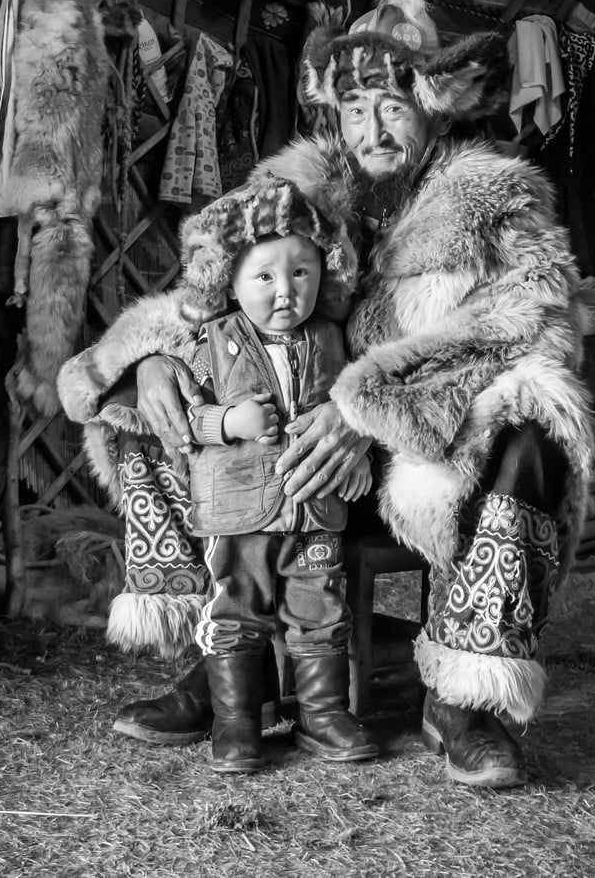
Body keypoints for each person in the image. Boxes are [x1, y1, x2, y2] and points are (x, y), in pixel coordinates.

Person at [59, 0, 595, 789]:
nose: (373, 127)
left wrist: (370, 410)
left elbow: (531, 321)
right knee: (131, 403)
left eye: (392, 105)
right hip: (281, 433)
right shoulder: (292, 189)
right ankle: (224, 664)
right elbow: (212, 292)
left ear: (431, 104)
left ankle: (465, 697)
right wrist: (155, 359)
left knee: (540, 417)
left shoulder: (493, 198)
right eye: (355, 108)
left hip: (427, 444)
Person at [174, 171, 377, 773]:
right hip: (239, 513)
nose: (284, 290)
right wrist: (228, 424)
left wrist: (358, 454)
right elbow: (188, 421)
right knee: (236, 609)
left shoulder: (334, 338)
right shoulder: (211, 342)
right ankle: (236, 721)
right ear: (231, 282)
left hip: (313, 507)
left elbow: (354, 407)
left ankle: (322, 715)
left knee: (321, 608)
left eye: (301, 273)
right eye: (265, 276)